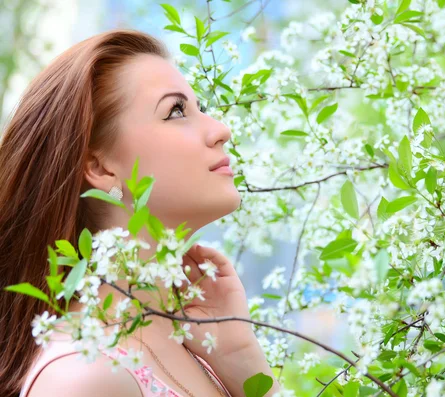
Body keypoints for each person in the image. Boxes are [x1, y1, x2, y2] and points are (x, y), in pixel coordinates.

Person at [0, 29, 281, 397]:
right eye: (176, 111)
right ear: (100, 168)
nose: (221, 130)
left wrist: (239, 357)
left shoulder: (195, 346)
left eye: (202, 109)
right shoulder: (84, 377)